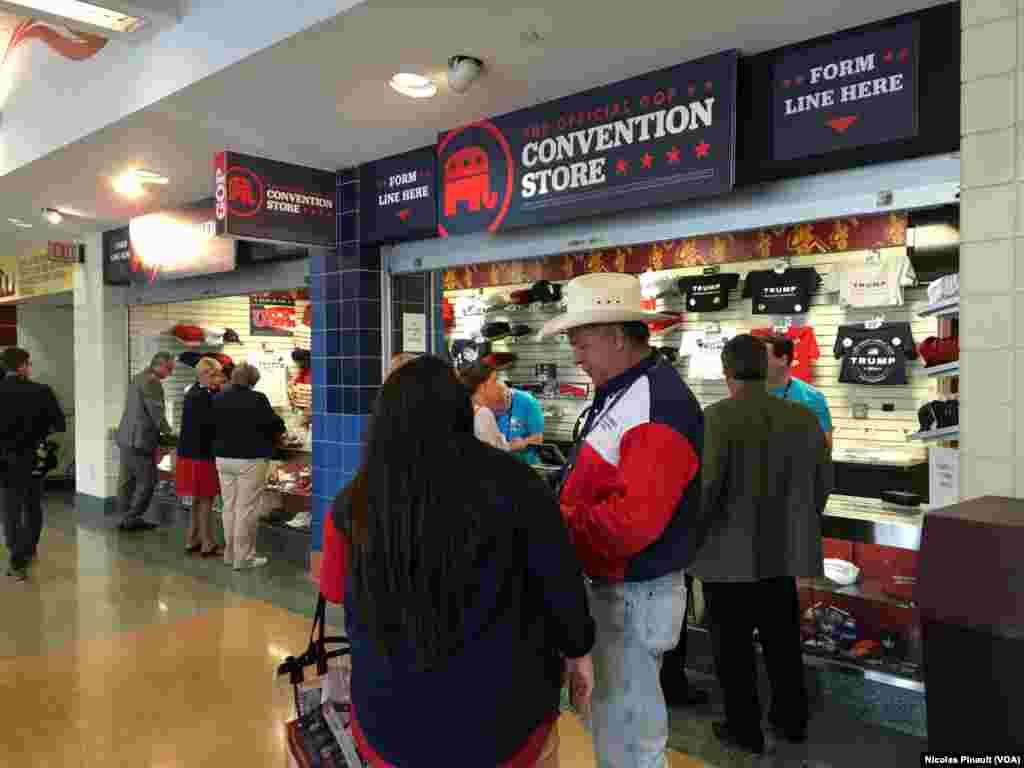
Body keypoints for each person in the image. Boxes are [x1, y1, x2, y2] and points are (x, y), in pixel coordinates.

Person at [319, 355, 595, 767]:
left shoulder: (353, 502)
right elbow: (560, 587)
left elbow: (334, 589)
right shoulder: (520, 487)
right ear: (462, 408)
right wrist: (578, 651)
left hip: (390, 723)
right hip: (505, 721)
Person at [539, 272, 704, 768]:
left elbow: (632, 524)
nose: (575, 354)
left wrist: (554, 522)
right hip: (615, 591)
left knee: (629, 741)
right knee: (614, 728)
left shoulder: (657, 404)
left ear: (615, 335)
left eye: (580, 341)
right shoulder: (623, 392)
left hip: (631, 595)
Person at [688, 335, 832, 755]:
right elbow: (823, 483)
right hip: (782, 556)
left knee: (732, 651)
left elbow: (705, 491)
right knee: (783, 644)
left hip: (725, 558)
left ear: (726, 371)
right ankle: (791, 720)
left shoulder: (715, 418)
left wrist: (692, 538)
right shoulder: (803, 418)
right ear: (767, 368)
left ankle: (744, 729)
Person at [211, 362, 285, 570]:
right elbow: (276, 425)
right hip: (250, 459)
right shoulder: (257, 398)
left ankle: (230, 554)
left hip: (223, 458)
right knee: (246, 509)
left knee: (228, 506)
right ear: (253, 381)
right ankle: (243, 558)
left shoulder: (218, 398)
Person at [0, 348, 65, 581]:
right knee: (32, 505)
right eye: (28, 364)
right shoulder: (42, 391)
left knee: (10, 510)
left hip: (5, 461)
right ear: (21, 366)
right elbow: (59, 425)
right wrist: (40, 431)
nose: (29, 368)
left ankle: (17, 559)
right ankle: (29, 549)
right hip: (33, 458)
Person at [115, 351, 176, 532]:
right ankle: (132, 518)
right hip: (140, 440)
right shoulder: (152, 382)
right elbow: (156, 412)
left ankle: (124, 516)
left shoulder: (138, 377)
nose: (171, 373)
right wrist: (169, 432)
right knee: (148, 480)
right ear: (159, 365)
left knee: (126, 480)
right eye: (169, 369)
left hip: (126, 437)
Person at [176, 357, 223, 557]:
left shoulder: (193, 392)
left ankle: (192, 538)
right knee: (206, 500)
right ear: (202, 375)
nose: (218, 379)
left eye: (219, 375)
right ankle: (207, 543)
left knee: (197, 498)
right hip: (202, 455)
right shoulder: (204, 397)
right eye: (214, 375)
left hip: (189, 454)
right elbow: (213, 425)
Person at [762, 335, 833, 452]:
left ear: (783, 360)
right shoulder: (745, 394)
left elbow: (825, 447)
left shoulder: (812, 397)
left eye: (763, 358)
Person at [458, 361, 510, 451]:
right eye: (494, 381)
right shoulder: (483, 413)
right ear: (482, 387)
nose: (500, 386)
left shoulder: (467, 408)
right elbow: (492, 453)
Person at [493, 376, 545, 464]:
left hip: (526, 462)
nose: (499, 412)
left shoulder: (529, 402)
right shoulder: (490, 401)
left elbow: (538, 438)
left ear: (508, 396)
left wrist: (524, 443)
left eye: (501, 408)